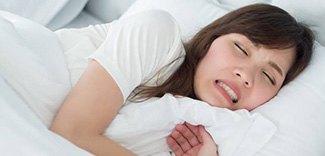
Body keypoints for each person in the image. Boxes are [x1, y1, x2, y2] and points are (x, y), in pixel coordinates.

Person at [50, 3, 314, 156]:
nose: (246, 74)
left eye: (268, 75)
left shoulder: (202, 134)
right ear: (211, 40)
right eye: (241, 48)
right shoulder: (157, 33)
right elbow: (71, 132)